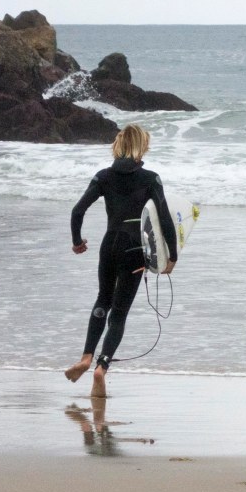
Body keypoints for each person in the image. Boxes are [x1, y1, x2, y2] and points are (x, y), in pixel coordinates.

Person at [66, 124, 176, 398]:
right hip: (133, 249)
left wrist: (77, 241)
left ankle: (86, 356)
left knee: (103, 299)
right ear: (142, 146)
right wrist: (172, 255)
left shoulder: (103, 176)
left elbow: (77, 210)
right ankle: (101, 368)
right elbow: (163, 217)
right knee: (120, 312)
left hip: (109, 244)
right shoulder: (151, 178)